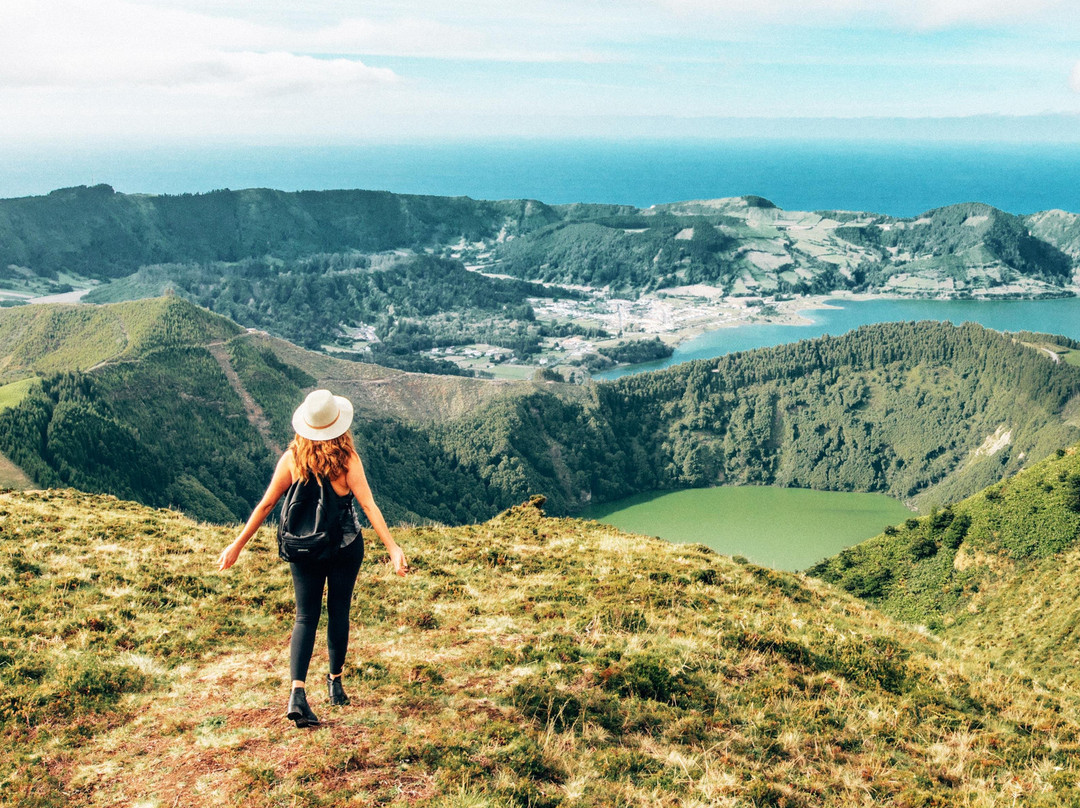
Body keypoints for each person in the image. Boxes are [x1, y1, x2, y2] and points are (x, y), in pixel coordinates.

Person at [217, 389, 408, 727]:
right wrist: (392, 548)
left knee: (305, 617)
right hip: (345, 547)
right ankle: (335, 683)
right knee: (338, 612)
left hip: (302, 549)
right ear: (338, 426)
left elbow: (265, 506)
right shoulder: (347, 460)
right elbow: (368, 506)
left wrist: (237, 544)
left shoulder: (292, 459)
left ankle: (297, 693)